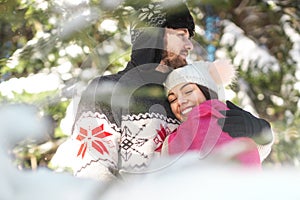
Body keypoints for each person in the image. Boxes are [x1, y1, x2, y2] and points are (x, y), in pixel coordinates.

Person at [51, 0, 273, 181]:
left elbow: (234, 155)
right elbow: (93, 171)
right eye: (181, 35)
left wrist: (259, 133)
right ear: (152, 35)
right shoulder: (108, 90)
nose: (189, 45)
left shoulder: (187, 93)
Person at [162, 59, 261, 168]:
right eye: (172, 100)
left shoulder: (209, 117)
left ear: (207, 91)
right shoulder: (182, 131)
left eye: (188, 91)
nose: (180, 101)